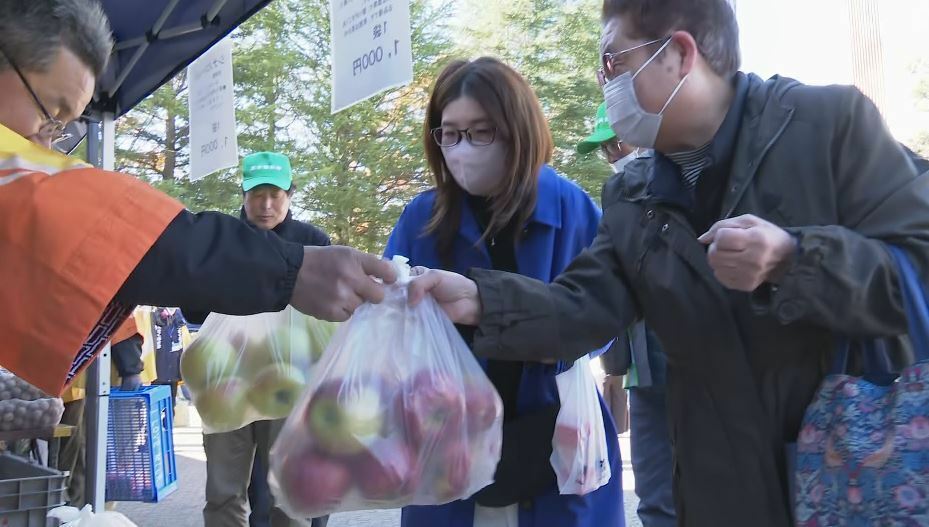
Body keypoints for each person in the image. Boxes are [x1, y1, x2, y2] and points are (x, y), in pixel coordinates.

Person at [407, 0, 929, 525]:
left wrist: (794, 260)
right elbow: (581, 308)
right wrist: (480, 300)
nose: (604, 83)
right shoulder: (633, 195)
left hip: (858, 473)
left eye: (613, 63)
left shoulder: (828, 126)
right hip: (720, 491)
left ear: (679, 53)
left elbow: (918, 262)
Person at [0, 0, 395, 397]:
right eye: (50, 115)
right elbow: (109, 228)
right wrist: (290, 271)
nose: (50, 148)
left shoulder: (310, 235)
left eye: (62, 129)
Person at [386, 57, 624, 527]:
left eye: (481, 131)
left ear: (517, 130)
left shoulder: (572, 207)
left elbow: (602, 321)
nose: (462, 148)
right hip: (450, 446)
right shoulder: (423, 217)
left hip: (554, 439)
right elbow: (394, 327)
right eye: (449, 133)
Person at [201, 152, 330, 527]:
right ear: (243, 193)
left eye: (275, 194)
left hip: (289, 379)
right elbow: (193, 310)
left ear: (290, 194)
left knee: (287, 489)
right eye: (257, 193)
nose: (267, 204)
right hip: (227, 378)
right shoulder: (222, 239)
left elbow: (327, 315)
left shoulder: (313, 242)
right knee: (223, 491)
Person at [577, 102, 675, 527]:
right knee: (655, 500)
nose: (614, 153)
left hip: (701, 372)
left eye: (620, 141)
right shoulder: (616, 203)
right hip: (647, 377)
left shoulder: (686, 185)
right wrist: (615, 366)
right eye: (606, 148)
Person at [59, 316, 145, 506]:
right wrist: (131, 367)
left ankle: (75, 509)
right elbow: (120, 322)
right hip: (85, 382)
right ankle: (81, 510)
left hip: (74, 381)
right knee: (90, 453)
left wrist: (130, 367)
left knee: (79, 454)